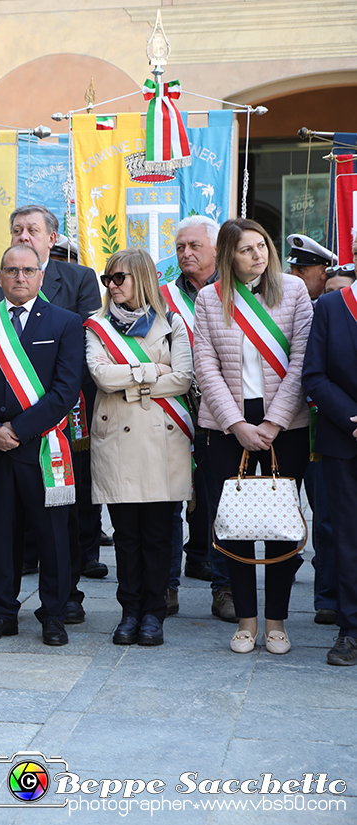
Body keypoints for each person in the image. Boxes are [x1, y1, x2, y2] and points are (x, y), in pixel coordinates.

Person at [0, 206, 102, 626]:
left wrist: (18, 430)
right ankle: (2, 612)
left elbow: (66, 390)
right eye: (11, 271)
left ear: (41, 274)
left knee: (53, 537)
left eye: (27, 271)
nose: (19, 277)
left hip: (44, 447)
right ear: (0, 276)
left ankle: (55, 614)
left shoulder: (64, 322)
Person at [193, 219, 312, 655]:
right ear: (228, 255)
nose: (258, 254)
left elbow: (303, 361)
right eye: (246, 249)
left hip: (286, 425)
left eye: (262, 246)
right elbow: (204, 366)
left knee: (281, 526)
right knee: (235, 528)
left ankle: (276, 622)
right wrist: (237, 424)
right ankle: (245, 621)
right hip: (227, 427)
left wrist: (273, 423)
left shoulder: (294, 291)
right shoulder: (209, 298)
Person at [84, 249, 194, 646]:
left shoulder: (173, 323)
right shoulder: (96, 325)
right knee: (126, 535)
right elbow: (100, 376)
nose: (112, 286)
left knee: (159, 534)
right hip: (118, 441)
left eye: (119, 278)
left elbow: (182, 379)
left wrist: (130, 379)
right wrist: (152, 371)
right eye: (107, 279)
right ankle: (129, 611)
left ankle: (154, 613)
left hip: (164, 439)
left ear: (142, 278)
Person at [162, 216, 225, 619]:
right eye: (181, 246)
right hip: (171, 412)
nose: (186, 253)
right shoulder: (163, 296)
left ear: (217, 249)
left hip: (223, 415)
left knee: (221, 503)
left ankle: (226, 588)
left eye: (195, 246)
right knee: (167, 500)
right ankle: (165, 586)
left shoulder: (235, 292)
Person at [302, 276, 357, 665]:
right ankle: (351, 629)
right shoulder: (331, 307)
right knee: (348, 537)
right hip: (345, 440)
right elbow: (315, 375)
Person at [285, 233, 339, 626]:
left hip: (325, 427)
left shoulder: (335, 309)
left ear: (325, 272)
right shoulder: (286, 307)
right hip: (288, 423)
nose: (297, 276)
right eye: (294, 269)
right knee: (285, 512)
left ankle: (328, 593)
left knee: (327, 515)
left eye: (305, 270)